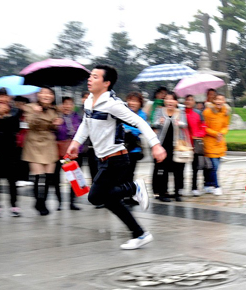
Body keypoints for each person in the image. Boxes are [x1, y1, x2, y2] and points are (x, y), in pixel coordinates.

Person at [67, 64, 166, 250]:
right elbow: (85, 124)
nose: (90, 79)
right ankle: (139, 233)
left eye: (95, 77)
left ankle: (133, 187)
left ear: (106, 83)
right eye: (90, 76)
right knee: (111, 200)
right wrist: (75, 143)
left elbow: (138, 121)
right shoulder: (89, 100)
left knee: (95, 197)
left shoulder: (113, 104)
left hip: (116, 158)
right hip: (102, 158)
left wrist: (156, 144)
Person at [22, 86, 63, 216]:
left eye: (49, 93)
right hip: (34, 143)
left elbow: (53, 128)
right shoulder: (30, 107)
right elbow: (30, 124)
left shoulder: (54, 110)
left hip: (49, 143)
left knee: (49, 177)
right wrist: (36, 113)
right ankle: (40, 202)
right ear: (38, 95)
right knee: (39, 176)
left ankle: (41, 200)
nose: (46, 95)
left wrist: (56, 124)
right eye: (43, 93)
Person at [0, 88, 21, 218]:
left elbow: (15, 128)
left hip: (10, 150)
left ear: (9, 98)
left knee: (12, 180)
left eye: (5, 96)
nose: (2, 99)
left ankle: (14, 205)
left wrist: (4, 116)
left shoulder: (15, 112)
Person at [152, 92, 188, 202]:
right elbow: (154, 123)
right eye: (167, 99)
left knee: (178, 170)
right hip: (163, 146)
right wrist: (159, 121)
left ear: (176, 102)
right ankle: (163, 192)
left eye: (172, 99)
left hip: (177, 147)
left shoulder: (180, 112)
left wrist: (179, 123)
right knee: (163, 170)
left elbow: (185, 124)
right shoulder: (159, 111)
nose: (169, 101)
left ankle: (177, 192)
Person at [54, 97, 82, 211]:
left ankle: (72, 201)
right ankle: (59, 202)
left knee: (74, 177)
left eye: (70, 104)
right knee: (57, 177)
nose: (67, 106)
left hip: (72, 151)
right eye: (65, 104)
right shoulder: (57, 116)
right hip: (59, 151)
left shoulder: (77, 117)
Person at [203, 94, 230, 196]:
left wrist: (221, 133)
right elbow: (204, 127)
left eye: (221, 99)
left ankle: (208, 184)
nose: (219, 101)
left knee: (216, 167)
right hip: (210, 142)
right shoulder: (207, 112)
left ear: (224, 101)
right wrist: (215, 134)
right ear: (214, 101)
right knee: (214, 166)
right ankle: (217, 186)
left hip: (220, 142)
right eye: (217, 99)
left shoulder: (226, 112)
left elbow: (226, 126)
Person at [184, 94, 206, 196]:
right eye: (187, 99)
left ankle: (194, 187)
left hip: (195, 143)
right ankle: (179, 187)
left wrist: (197, 135)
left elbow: (203, 127)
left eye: (191, 100)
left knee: (195, 167)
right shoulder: (181, 113)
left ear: (194, 102)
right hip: (183, 144)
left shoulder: (198, 114)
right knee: (180, 166)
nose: (189, 101)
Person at [124, 91, 147, 183]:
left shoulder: (142, 115)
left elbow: (142, 128)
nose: (132, 103)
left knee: (131, 172)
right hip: (123, 147)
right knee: (122, 172)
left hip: (134, 148)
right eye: (130, 100)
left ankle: (129, 194)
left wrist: (129, 129)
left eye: (135, 101)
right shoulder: (123, 112)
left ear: (140, 103)